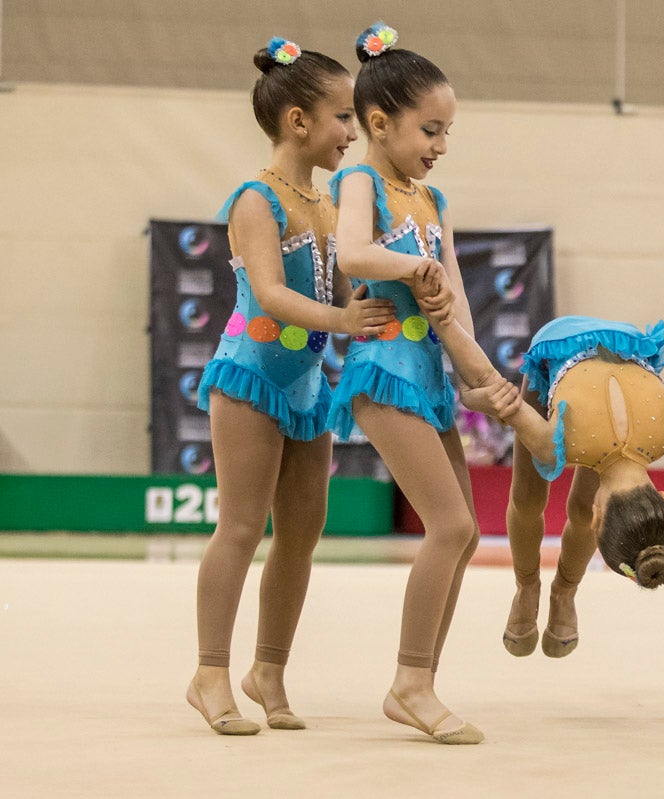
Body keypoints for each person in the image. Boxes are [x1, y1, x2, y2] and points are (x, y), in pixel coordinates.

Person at [409, 234, 664, 660]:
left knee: (553, 482)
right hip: (555, 349)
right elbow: (494, 389)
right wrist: (445, 324)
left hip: (625, 343)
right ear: (598, 517)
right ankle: (529, 586)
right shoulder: (558, 442)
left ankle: (563, 592)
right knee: (528, 499)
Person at [189, 37, 395, 735]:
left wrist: (389, 282)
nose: (352, 133)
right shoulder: (256, 199)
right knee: (241, 526)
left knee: (302, 533)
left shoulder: (330, 203)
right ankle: (209, 672)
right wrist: (342, 318)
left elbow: (342, 288)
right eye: (343, 118)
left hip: (306, 385)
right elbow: (272, 294)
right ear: (298, 122)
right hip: (250, 376)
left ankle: (268, 669)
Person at [328, 22, 482, 745]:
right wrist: (411, 267)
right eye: (430, 129)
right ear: (380, 123)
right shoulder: (359, 181)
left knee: (466, 532)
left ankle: (422, 679)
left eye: (447, 132)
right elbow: (354, 252)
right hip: (383, 368)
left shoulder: (434, 200)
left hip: (428, 374)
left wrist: (477, 374)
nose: (440, 145)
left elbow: (456, 291)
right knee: (448, 526)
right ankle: (409, 684)